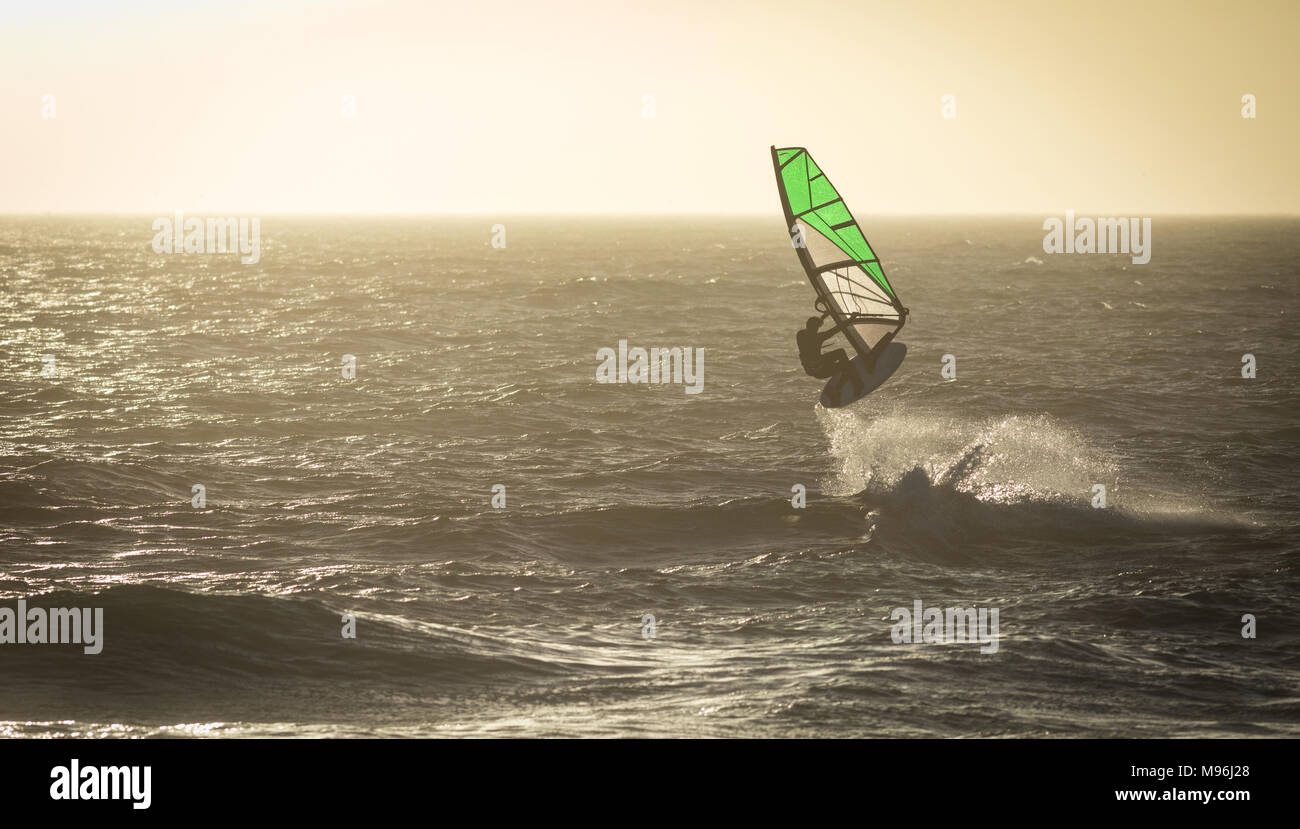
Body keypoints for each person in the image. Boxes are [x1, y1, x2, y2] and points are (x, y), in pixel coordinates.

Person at [797, 314, 865, 397]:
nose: (817, 330)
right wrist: (851, 319)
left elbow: (813, 326)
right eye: (817, 328)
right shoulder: (818, 337)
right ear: (816, 328)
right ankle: (852, 386)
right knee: (847, 365)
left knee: (840, 357)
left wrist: (824, 316)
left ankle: (844, 375)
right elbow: (837, 328)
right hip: (821, 371)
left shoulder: (800, 335)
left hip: (811, 369)